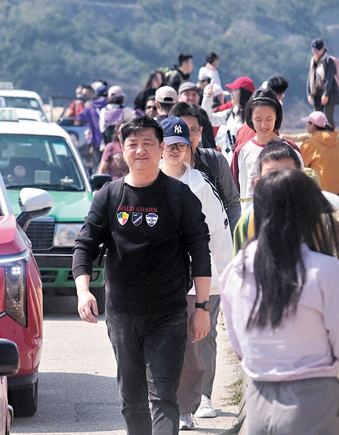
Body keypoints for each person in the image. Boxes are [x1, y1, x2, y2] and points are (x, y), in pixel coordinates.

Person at [74, 117, 212, 434]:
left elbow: (200, 251)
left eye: (148, 143)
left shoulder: (180, 196)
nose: (141, 150)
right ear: (122, 150)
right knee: (132, 400)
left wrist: (202, 308)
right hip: (122, 315)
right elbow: (84, 247)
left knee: (163, 396)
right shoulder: (109, 196)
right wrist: (84, 291)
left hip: (168, 314)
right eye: (133, 144)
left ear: (161, 148)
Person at [220, 169, 339, 434]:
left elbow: (238, 344)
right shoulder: (325, 270)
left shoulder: (236, 270)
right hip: (315, 404)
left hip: (259, 404)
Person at [158, 118, 233, 431]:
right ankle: (162, 405)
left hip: (196, 281)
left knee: (193, 345)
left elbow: (219, 233)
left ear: (189, 148)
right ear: (159, 146)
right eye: (169, 144)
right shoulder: (145, 181)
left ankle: (187, 406)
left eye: (181, 145)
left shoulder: (201, 185)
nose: (175, 150)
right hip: (158, 282)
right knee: (161, 346)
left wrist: (228, 279)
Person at [169, 102, 240, 234]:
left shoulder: (215, 161)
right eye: (182, 129)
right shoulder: (160, 167)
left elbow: (232, 202)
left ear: (201, 131)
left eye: (193, 130)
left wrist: (230, 238)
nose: (188, 136)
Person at [232, 91, 303, 203]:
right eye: (258, 119)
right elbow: (234, 192)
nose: (263, 125)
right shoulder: (241, 151)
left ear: (277, 117)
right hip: (249, 218)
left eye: (269, 119)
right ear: (250, 118)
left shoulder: (291, 149)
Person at [232, 141, 302, 252]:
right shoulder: (247, 223)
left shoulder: (311, 218)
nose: (280, 179)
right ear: (258, 182)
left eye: (287, 172)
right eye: (271, 174)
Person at [300, 111, 339, 196]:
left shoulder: (310, 144)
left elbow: (300, 164)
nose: (306, 125)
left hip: (324, 191)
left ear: (313, 125)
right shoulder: (336, 142)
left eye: (308, 123)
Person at [203, 77, 254, 162]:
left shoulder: (253, 117)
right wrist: (207, 99)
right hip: (226, 163)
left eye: (234, 90)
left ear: (243, 93)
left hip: (243, 163)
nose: (231, 94)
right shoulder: (230, 113)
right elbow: (209, 118)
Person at [307, 38, 339, 129]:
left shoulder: (328, 61)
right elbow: (310, 77)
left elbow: (329, 79)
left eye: (318, 50)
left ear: (323, 49)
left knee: (328, 118)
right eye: (314, 50)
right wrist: (309, 93)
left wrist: (326, 94)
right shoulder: (313, 61)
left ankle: (331, 139)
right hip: (317, 93)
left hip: (330, 93)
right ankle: (319, 139)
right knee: (317, 118)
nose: (316, 53)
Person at [178, 82, 216, 149]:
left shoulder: (202, 114)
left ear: (198, 97)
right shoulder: (175, 114)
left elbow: (209, 139)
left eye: (194, 94)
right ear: (179, 97)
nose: (191, 98)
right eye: (187, 94)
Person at [79, 81, 109, 165]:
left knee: (97, 164)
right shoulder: (109, 104)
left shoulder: (90, 105)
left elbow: (81, 117)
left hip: (95, 139)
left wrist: (88, 124)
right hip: (109, 141)